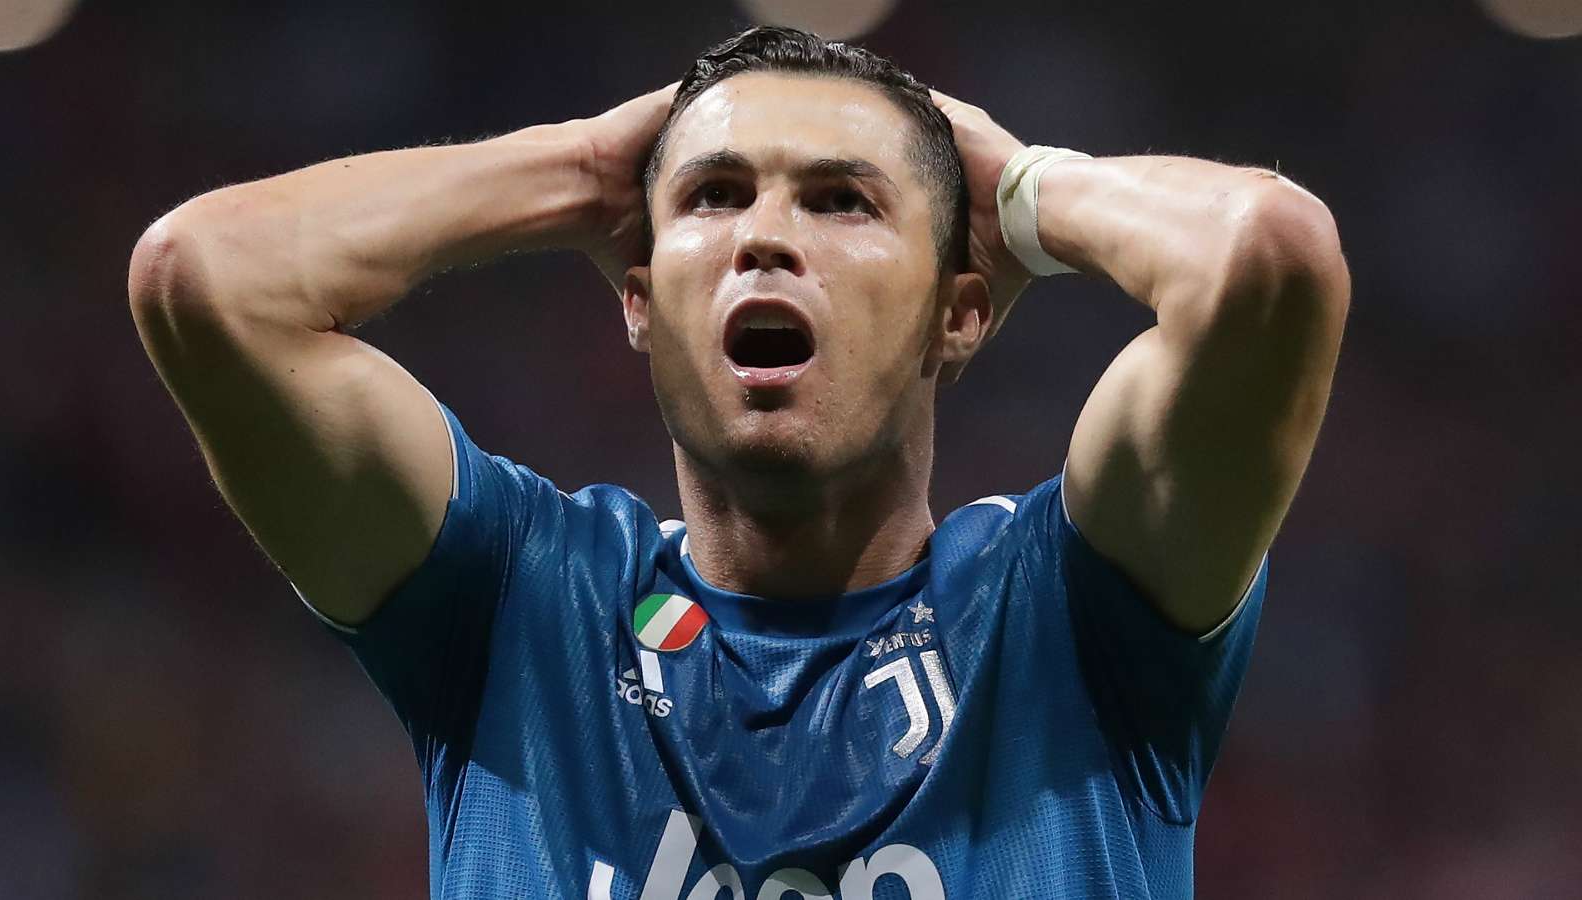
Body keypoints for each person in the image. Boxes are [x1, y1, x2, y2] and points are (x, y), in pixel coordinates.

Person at [127, 25, 1348, 900]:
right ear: (639, 303)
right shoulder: (515, 611)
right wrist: (578, 169)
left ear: (958, 313)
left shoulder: (1075, 619)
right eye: (714, 195)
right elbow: (205, 280)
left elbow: (1268, 256)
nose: (765, 235)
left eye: (842, 202)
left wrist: (1027, 188)